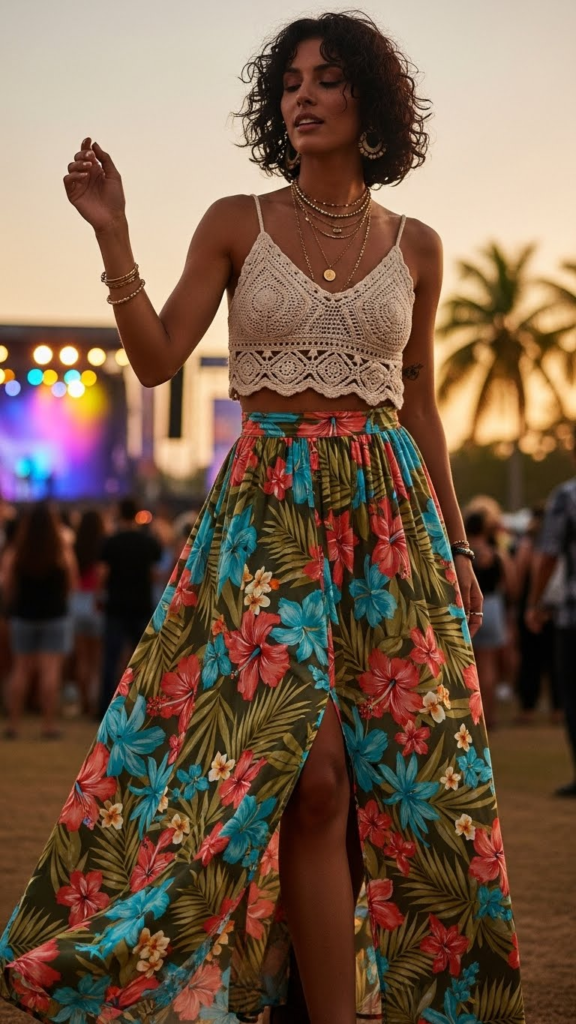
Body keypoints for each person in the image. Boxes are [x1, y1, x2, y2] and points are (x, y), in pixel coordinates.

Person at [0, 12, 524, 1024]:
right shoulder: (236, 219)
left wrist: (456, 543)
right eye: (290, 82)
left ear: (369, 101)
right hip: (271, 514)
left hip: (388, 520)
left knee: (393, 780)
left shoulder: (418, 246)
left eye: (327, 79)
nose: (304, 95)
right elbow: (157, 360)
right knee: (311, 770)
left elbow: (420, 406)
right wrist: (113, 233)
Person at [0, 502, 77, 738]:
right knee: (50, 670)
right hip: (54, 615)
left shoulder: (17, 550)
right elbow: (72, 582)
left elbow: (6, 584)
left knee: (20, 669)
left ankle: (13, 724)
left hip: (23, 616)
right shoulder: (60, 550)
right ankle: (48, 724)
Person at [526, 450, 576, 797]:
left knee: (573, 696)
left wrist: (535, 602)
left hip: (573, 615)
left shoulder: (568, 495)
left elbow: (548, 555)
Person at [98, 497, 162, 717]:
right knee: (143, 660)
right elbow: (156, 566)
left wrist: (100, 595)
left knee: (110, 658)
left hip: (116, 605)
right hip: (141, 605)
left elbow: (103, 574)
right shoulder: (147, 542)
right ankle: (143, 705)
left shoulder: (111, 541)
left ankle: (104, 706)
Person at [464, 509, 515, 729]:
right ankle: (489, 717)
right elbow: (512, 585)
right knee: (488, 666)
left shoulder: (462, 554)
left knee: (467, 666)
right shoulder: (496, 554)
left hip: (466, 607)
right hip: (491, 608)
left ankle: (470, 717)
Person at [514, 505, 561, 724]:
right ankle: (558, 709)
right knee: (556, 659)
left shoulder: (529, 543)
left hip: (532, 603)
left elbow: (519, 575)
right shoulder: (559, 540)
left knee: (530, 658)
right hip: (556, 605)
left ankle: (528, 709)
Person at [70, 509, 106, 717]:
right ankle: (93, 703)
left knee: (82, 657)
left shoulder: (76, 546)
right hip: (95, 602)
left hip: (77, 601)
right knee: (96, 660)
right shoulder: (102, 545)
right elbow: (102, 574)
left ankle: (83, 701)